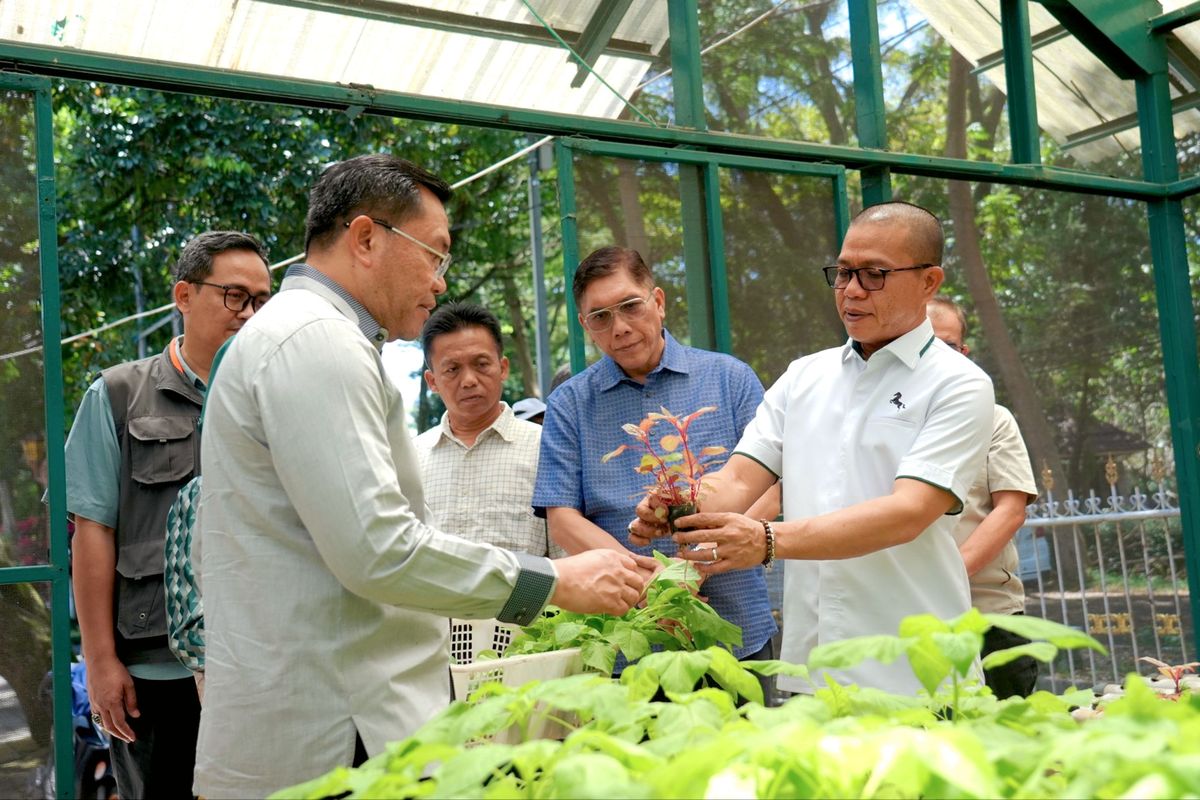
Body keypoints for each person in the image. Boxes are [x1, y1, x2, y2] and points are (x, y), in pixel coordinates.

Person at [192, 155, 648, 798]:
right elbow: (376, 549)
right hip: (340, 736)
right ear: (367, 238)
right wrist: (554, 582)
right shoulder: (317, 341)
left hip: (327, 714)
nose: (439, 283)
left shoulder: (301, 338)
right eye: (435, 255)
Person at [632, 201, 995, 695]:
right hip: (814, 669)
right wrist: (678, 506)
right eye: (844, 272)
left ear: (930, 281)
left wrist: (768, 540)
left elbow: (909, 512)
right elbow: (739, 479)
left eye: (874, 274)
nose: (851, 291)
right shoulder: (805, 376)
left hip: (916, 670)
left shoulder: (959, 384)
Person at [64, 231, 272, 797]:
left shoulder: (272, 397)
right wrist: (101, 661)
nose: (250, 313)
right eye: (235, 295)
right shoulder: (117, 395)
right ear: (183, 296)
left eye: (260, 299)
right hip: (155, 671)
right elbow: (92, 532)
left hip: (262, 660)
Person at [533, 245, 778, 675]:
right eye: (601, 317)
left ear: (658, 302)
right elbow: (563, 518)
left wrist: (698, 563)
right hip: (627, 642)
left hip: (735, 624)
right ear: (585, 326)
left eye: (630, 306)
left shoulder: (731, 379)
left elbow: (774, 485)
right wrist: (648, 584)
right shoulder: (569, 404)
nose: (620, 328)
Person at [927, 296, 1039, 698]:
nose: (939, 356)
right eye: (927, 344)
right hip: (908, 623)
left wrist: (942, 578)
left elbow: (1011, 511)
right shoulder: (886, 419)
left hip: (990, 619)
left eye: (949, 345)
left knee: (1010, 751)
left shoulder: (994, 418)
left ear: (964, 352)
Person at [414, 302, 562, 557]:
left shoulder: (547, 448)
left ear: (503, 368)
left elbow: (566, 556)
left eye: (481, 364)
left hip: (527, 598)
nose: (469, 380)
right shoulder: (410, 458)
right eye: (452, 369)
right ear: (432, 381)